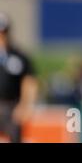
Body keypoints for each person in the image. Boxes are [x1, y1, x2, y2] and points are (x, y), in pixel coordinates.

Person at [0, 13, 38, 143]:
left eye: (3, 32)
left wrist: (26, 104)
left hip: (11, 106)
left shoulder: (18, 56)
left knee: (15, 137)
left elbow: (29, 81)